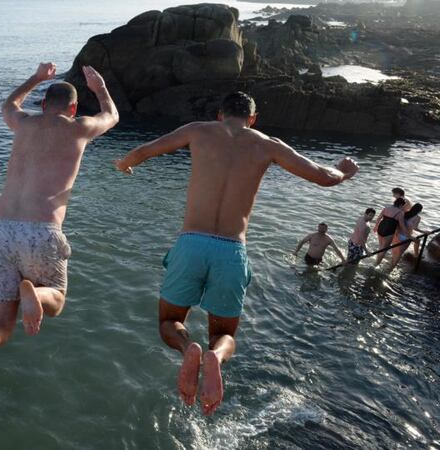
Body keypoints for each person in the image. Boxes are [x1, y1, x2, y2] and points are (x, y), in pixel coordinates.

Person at [112, 91, 358, 416]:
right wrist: (343, 170)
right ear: (252, 119)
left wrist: (125, 164)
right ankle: (214, 355)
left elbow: (144, 151)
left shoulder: (197, 130)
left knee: (170, 321)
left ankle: (189, 348)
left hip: (191, 243)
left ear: (220, 114)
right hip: (231, 249)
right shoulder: (268, 144)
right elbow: (324, 177)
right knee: (224, 333)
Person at [0, 63, 119, 410]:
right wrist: (98, 87)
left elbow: (7, 106)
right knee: (57, 302)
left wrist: (36, 78)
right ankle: (34, 291)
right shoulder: (80, 127)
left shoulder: (23, 123)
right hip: (42, 231)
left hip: (0, 230)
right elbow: (111, 114)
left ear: (42, 105)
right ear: (72, 109)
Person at [373, 197, 408, 267]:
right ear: (401, 205)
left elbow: (379, 218)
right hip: (389, 231)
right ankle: (376, 265)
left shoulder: (386, 208)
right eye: (403, 206)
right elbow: (402, 225)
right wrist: (408, 234)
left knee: (380, 247)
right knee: (384, 249)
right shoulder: (400, 212)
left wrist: (376, 227)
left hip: (380, 228)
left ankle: (376, 261)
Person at [390, 203, 426, 269]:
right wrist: (424, 232)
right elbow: (415, 228)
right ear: (419, 211)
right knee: (400, 253)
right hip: (406, 237)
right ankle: (416, 255)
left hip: (397, 235)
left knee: (395, 251)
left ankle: (391, 263)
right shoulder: (417, 218)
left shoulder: (405, 213)